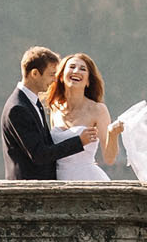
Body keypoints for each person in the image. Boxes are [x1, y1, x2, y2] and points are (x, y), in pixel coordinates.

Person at [0, 45, 97, 179]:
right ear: (35, 74)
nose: (54, 80)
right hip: (26, 190)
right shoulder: (17, 108)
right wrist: (78, 142)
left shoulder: (34, 102)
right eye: (51, 74)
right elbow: (39, 154)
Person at [44, 52, 122, 181]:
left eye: (82, 69)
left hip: (88, 180)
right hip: (59, 181)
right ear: (62, 76)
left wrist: (113, 134)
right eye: (72, 67)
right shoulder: (55, 107)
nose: (76, 71)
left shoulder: (98, 109)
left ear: (88, 81)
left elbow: (109, 159)